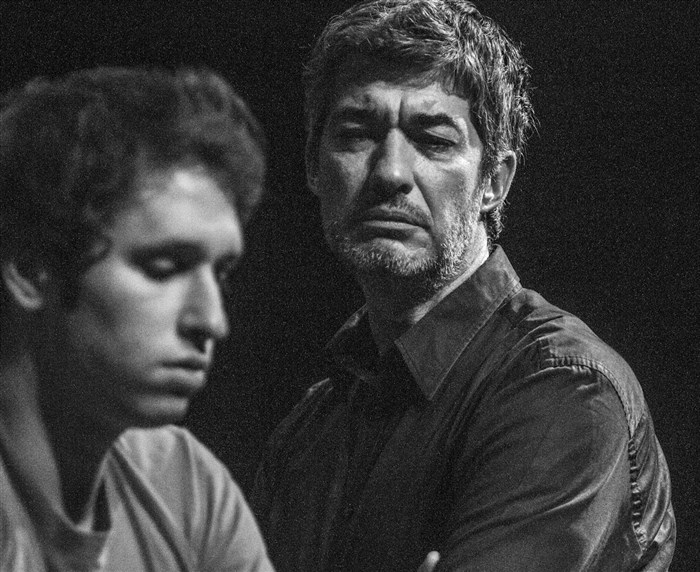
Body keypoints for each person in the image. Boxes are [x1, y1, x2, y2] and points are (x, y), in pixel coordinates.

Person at [251, 1, 676, 571]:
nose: (390, 173)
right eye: (356, 134)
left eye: (433, 139)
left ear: (494, 182)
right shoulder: (309, 429)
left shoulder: (566, 390)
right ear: (312, 165)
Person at [0, 67, 273, 570]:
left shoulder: (187, 488)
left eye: (221, 274)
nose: (213, 322)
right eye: (164, 268)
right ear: (31, 268)